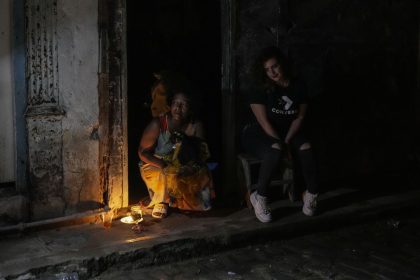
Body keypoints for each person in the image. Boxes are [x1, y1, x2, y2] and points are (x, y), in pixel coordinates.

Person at [241, 46, 319, 223]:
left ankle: (311, 193)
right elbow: (264, 122)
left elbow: (299, 116)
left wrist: (288, 139)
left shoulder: (298, 85)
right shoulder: (261, 88)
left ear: (282, 64)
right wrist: (282, 144)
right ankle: (259, 197)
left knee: (306, 147)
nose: (272, 72)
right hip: (258, 132)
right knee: (275, 149)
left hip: (287, 130)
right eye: (267, 70)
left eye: (274, 66)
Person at [138, 90, 215, 219]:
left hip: (183, 164)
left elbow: (201, 153)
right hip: (158, 163)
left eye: (183, 105)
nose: (178, 108)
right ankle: (162, 201)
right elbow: (142, 152)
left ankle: (183, 202)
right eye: (176, 103)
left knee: (202, 173)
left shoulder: (195, 125)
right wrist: (163, 165)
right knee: (165, 174)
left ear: (190, 108)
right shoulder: (159, 124)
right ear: (170, 105)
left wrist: (190, 166)